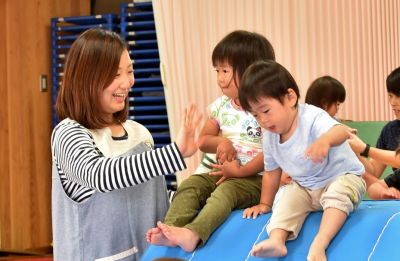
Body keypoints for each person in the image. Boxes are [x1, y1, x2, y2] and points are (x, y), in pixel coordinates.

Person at [51, 28, 201, 261]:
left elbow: (157, 199)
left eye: (129, 71)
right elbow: (100, 175)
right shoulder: (69, 133)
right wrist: (175, 152)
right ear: (87, 78)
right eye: (114, 74)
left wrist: (204, 195)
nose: (127, 82)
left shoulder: (139, 133)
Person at [146, 30, 276, 252]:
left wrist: (239, 172)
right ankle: (171, 229)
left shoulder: (264, 108)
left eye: (226, 71)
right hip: (224, 173)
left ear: (251, 71)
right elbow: (203, 140)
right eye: (217, 70)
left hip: (254, 179)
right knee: (190, 185)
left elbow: (271, 154)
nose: (220, 78)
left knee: (224, 193)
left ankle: (193, 233)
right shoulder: (221, 106)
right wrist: (221, 143)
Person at [239, 60, 366, 261]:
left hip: (341, 178)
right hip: (306, 188)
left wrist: (325, 140)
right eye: (255, 115)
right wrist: (264, 203)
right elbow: (272, 172)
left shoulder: (311, 117)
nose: (262, 120)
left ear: (290, 97)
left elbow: (341, 131)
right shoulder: (270, 137)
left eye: (266, 111)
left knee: (339, 191)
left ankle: (320, 242)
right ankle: (277, 239)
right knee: (286, 195)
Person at [348, 66, 400, 199]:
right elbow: (373, 171)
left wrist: (365, 149)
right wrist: (353, 152)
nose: (393, 103)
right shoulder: (390, 130)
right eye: (390, 96)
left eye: (398, 96)